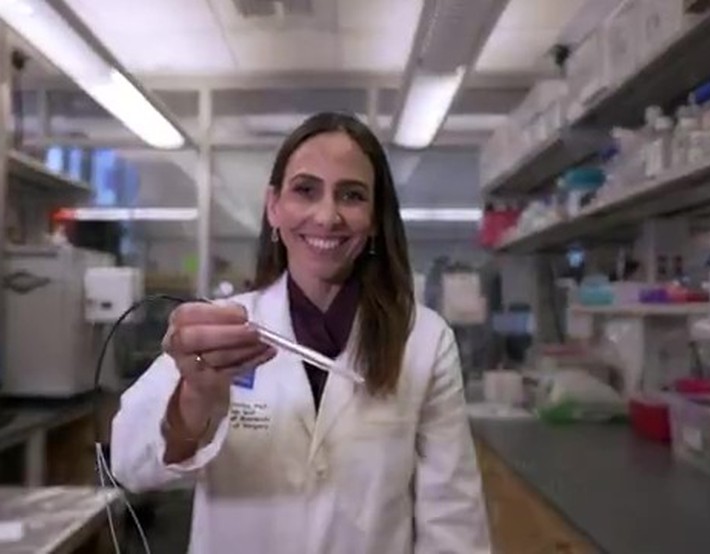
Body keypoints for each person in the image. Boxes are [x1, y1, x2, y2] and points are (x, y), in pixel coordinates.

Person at [111, 112, 490, 553]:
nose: (327, 216)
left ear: (374, 218)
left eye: (351, 195)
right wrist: (196, 399)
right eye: (305, 190)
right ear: (274, 206)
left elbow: (453, 521)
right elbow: (128, 462)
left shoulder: (422, 340)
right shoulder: (222, 326)